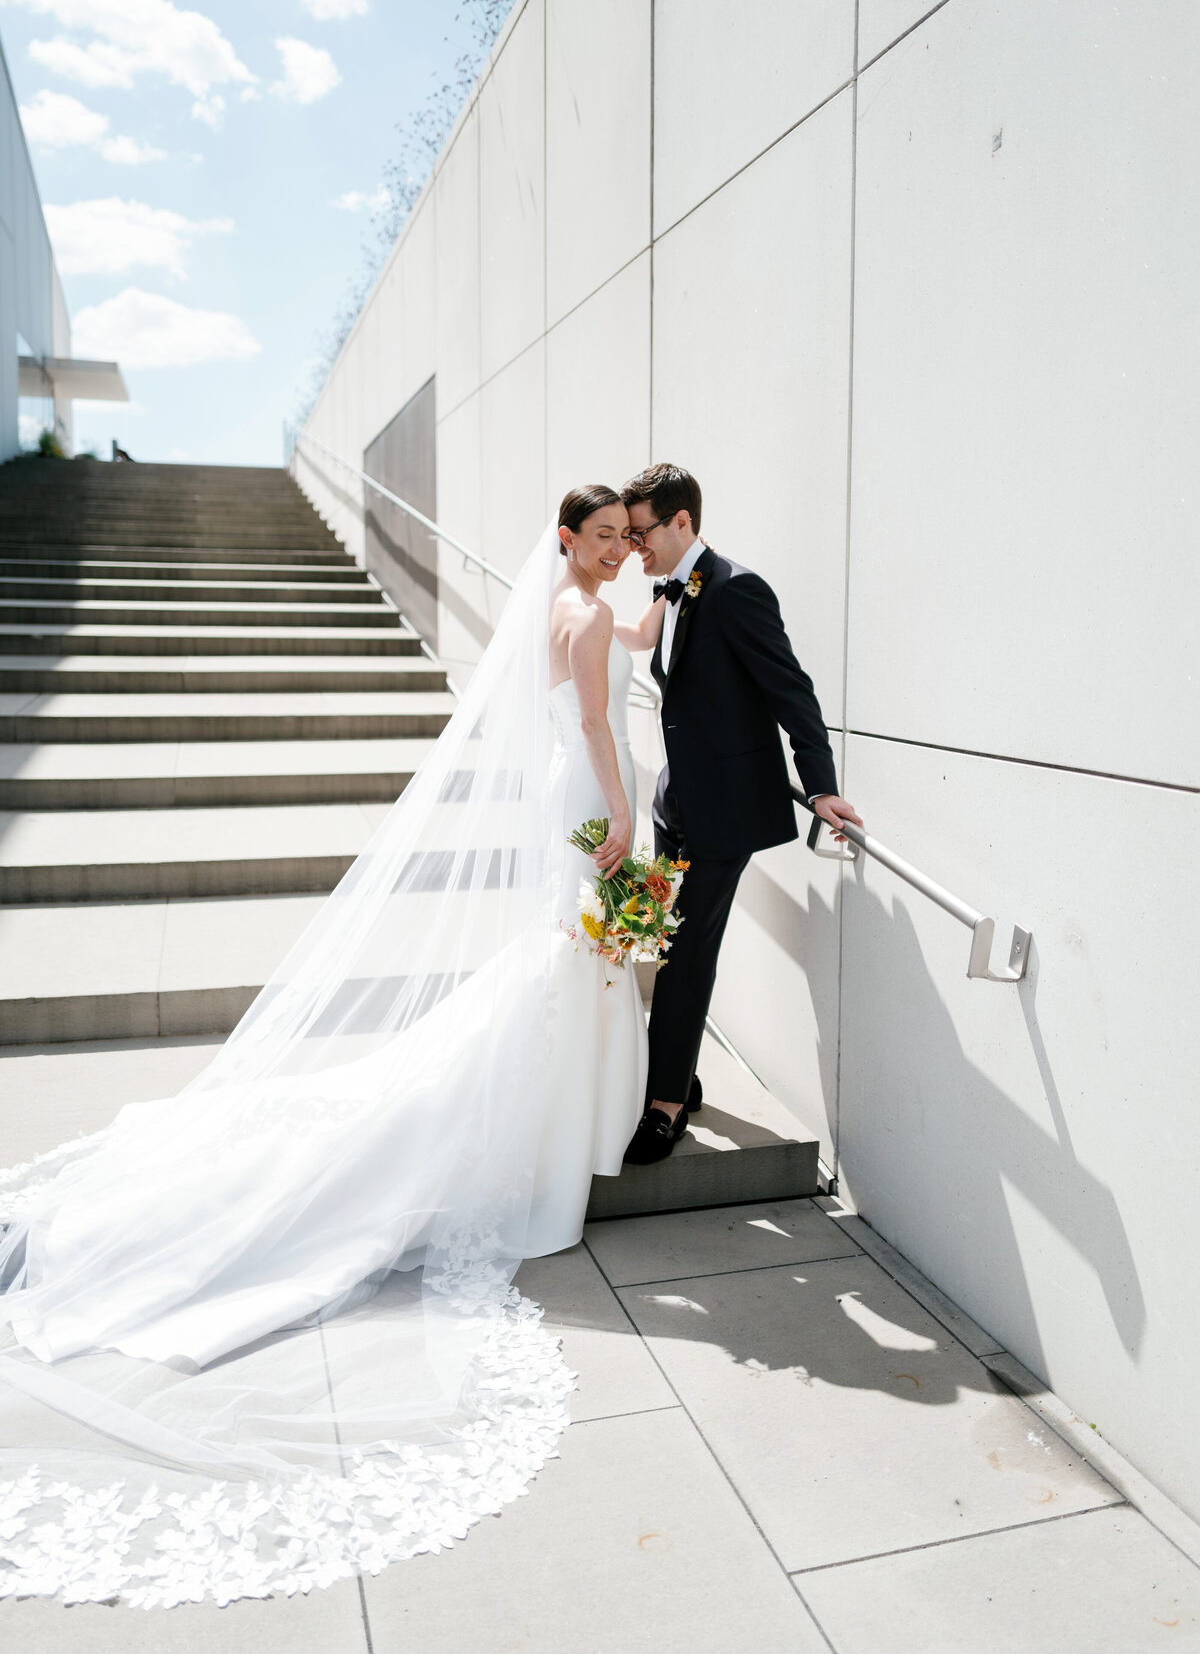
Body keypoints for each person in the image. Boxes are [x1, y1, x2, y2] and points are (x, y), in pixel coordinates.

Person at [0, 488, 653, 1610]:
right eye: (599, 540)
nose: (611, 554)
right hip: (590, 796)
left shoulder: (567, 607)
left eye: (620, 541)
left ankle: (542, 1117)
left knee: (562, 964)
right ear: (566, 543)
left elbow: (627, 636)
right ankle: (545, 1136)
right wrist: (629, 821)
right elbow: (598, 719)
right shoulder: (586, 616)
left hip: (563, 797)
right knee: (571, 963)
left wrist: (656, 601)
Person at [619, 463, 863, 1164]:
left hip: (724, 811)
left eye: (642, 535)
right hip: (676, 805)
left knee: (688, 950)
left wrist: (819, 786)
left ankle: (665, 1104)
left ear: (683, 523)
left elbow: (794, 691)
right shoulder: (670, 595)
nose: (637, 549)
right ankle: (680, 1073)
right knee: (670, 944)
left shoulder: (736, 590)